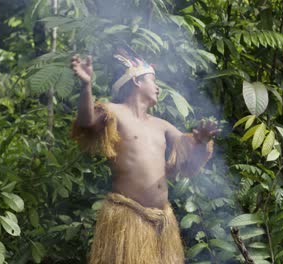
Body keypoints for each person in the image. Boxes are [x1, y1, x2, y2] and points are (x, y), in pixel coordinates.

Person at [70, 49, 217, 264]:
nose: (158, 87)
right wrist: (86, 85)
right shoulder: (113, 112)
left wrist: (202, 143)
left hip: (162, 223)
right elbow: (85, 123)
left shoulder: (162, 125)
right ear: (137, 81)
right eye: (152, 80)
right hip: (127, 220)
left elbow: (189, 161)